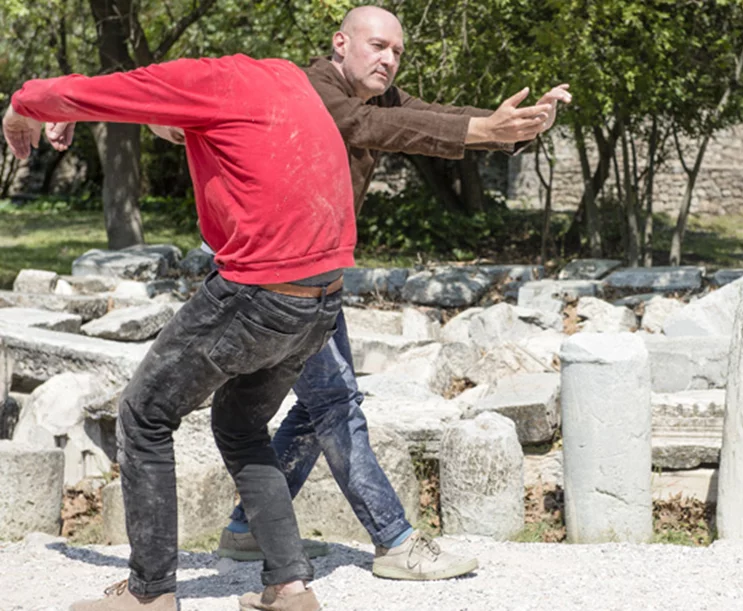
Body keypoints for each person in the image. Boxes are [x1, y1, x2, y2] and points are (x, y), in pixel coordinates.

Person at [208, 5, 571, 581]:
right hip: (266, 276)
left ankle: (247, 529)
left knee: (321, 402)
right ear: (340, 43)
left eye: (397, 52)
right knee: (334, 401)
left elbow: (429, 117)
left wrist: (511, 128)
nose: (389, 59)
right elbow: (364, 128)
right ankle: (395, 541)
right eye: (378, 46)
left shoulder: (377, 95)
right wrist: (484, 131)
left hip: (311, 273)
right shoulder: (314, 88)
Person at [4, 54, 356, 611]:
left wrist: (26, 104)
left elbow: (108, 91)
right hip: (323, 299)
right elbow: (173, 121)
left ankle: (149, 596)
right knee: (241, 425)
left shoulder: (205, 80)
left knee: (144, 413)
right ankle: (290, 588)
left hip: (258, 292)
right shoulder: (283, 80)